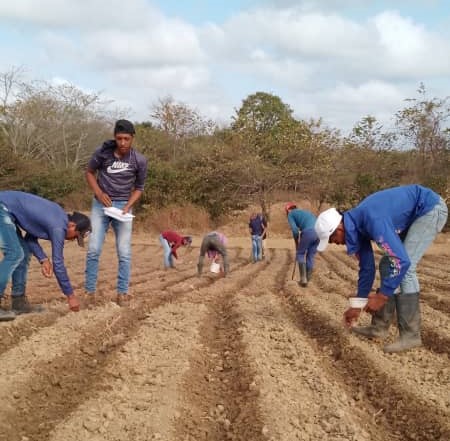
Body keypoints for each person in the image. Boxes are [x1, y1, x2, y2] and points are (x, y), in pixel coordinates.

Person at [314, 184, 448, 353]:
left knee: (405, 268)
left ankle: (411, 335)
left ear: (339, 228)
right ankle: (379, 328)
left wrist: (382, 295)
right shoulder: (356, 227)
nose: (334, 243)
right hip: (415, 213)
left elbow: (401, 261)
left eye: (332, 238)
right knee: (387, 264)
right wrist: (358, 305)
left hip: (429, 209)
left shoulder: (372, 220)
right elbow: (367, 269)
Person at [85, 119, 148, 306]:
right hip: (100, 205)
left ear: (132, 139)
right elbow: (89, 172)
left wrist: (128, 205)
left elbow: (139, 187)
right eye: (119, 138)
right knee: (94, 249)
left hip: (123, 207)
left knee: (124, 252)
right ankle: (89, 292)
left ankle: (122, 293)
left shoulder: (139, 160)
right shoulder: (102, 153)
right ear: (115, 137)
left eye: (126, 139)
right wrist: (98, 192)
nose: (122, 143)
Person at [0, 191, 91, 320]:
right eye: (75, 236)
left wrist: (43, 259)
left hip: (6, 210)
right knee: (14, 254)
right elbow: (58, 263)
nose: (71, 240)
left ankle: (18, 302)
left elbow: (30, 238)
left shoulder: (57, 216)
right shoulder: (59, 227)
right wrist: (70, 296)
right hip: (2, 208)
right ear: (72, 225)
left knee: (23, 252)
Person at [285, 203, 319, 287]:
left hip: (309, 232)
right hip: (319, 233)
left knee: (300, 254)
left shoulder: (291, 214)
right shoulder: (305, 212)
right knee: (310, 255)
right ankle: (308, 279)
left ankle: (303, 279)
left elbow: (295, 230)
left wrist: (296, 242)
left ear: (288, 210)